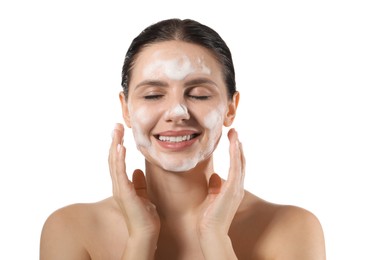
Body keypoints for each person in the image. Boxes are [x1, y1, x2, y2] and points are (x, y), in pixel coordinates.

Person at [40, 18, 326, 259]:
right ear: (126, 109)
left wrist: (216, 240)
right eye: (153, 95)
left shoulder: (291, 228)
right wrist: (140, 240)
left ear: (230, 108)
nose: (177, 112)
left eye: (199, 94)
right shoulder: (71, 229)